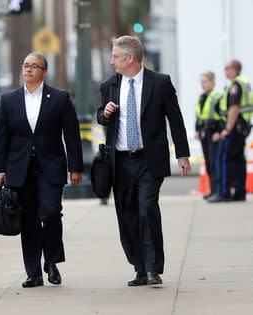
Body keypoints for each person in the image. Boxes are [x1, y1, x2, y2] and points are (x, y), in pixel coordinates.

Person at [97, 36, 191, 286]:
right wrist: (104, 113)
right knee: (127, 216)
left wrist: (182, 153)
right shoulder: (109, 85)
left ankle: (153, 269)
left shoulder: (160, 83)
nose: (112, 61)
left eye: (116, 56)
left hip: (149, 160)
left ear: (130, 58)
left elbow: (175, 119)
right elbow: (100, 116)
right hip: (121, 161)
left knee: (147, 209)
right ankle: (138, 267)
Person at [0, 52, 84, 288]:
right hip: (20, 169)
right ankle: (33, 272)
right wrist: (0, 169)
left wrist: (76, 167)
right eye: (25, 65)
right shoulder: (9, 99)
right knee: (29, 220)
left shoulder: (60, 98)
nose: (28, 69)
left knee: (51, 213)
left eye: (34, 66)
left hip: (51, 167)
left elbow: (72, 135)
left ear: (44, 71)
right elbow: (1, 137)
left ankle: (52, 261)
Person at [208, 59, 252, 202]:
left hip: (234, 128)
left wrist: (227, 129)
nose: (225, 71)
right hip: (241, 127)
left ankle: (224, 192)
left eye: (227, 68)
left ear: (235, 69)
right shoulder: (242, 82)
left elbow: (234, 108)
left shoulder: (236, 85)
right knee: (239, 160)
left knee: (224, 159)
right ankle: (239, 192)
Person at [194, 72, 223, 200]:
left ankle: (219, 191)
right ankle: (213, 190)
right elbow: (199, 116)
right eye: (201, 81)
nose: (203, 84)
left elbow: (223, 117)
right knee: (209, 163)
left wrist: (219, 132)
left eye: (205, 81)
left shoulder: (217, 97)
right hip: (204, 133)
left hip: (214, 133)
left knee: (215, 162)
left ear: (212, 82)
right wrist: (197, 130)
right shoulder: (202, 97)